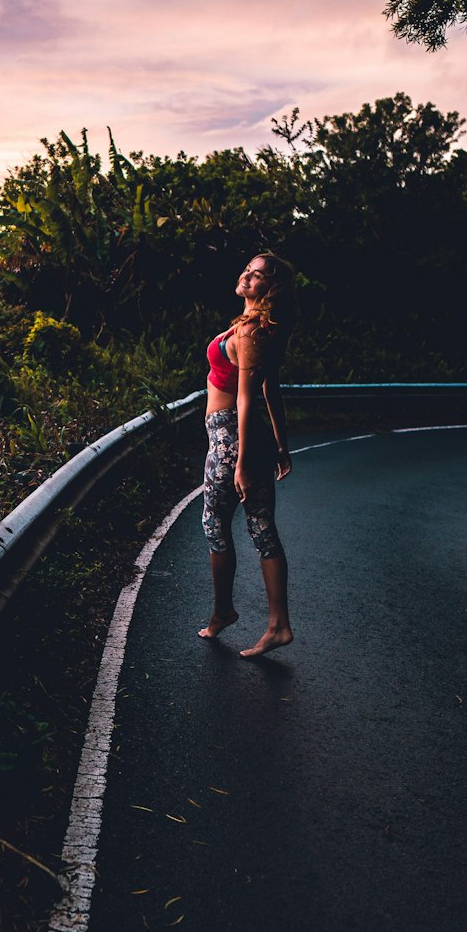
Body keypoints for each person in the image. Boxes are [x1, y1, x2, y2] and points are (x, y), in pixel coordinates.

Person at [198, 253, 295, 657]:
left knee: (215, 522)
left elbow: (246, 398)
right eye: (248, 269)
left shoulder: (252, 332)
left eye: (257, 276)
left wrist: (239, 461)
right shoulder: (256, 327)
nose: (247, 276)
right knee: (260, 526)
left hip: (229, 438)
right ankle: (277, 625)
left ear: (269, 290)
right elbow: (273, 389)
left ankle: (225, 612)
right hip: (240, 437)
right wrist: (280, 444)